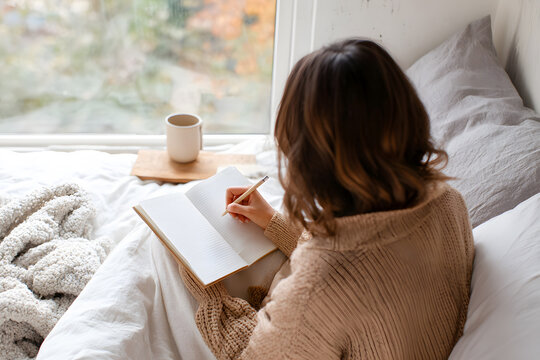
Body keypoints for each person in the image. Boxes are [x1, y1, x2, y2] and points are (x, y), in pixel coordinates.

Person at [178, 38, 474, 359]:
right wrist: (274, 223)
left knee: (161, 259)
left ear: (310, 159)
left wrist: (211, 297)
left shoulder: (321, 286)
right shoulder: (448, 202)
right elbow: (369, 254)